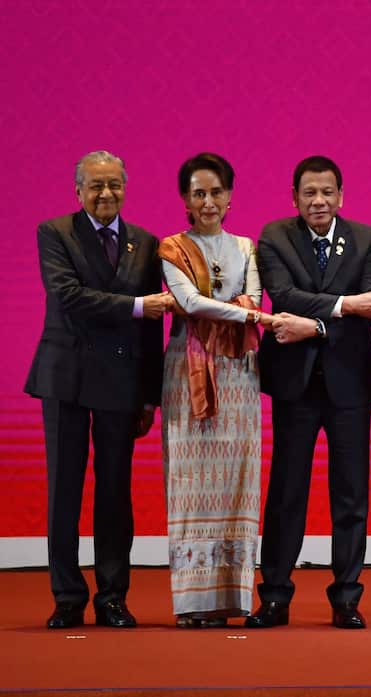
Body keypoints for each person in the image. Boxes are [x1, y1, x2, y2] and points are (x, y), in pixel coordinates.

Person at [27, 150, 169, 629]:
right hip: (65, 377)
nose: (106, 194)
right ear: (78, 191)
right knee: (64, 489)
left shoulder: (146, 244)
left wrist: (150, 396)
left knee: (114, 492)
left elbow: (153, 331)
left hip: (121, 382)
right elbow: (67, 296)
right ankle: (67, 596)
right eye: (96, 186)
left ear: (126, 188)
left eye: (114, 185)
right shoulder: (55, 233)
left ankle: (112, 596)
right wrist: (134, 305)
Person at [249, 156, 371, 630]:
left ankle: (347, 598)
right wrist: (343, 308)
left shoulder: (366, 238)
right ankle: (274, 596)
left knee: (350, 496)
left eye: (327, 192)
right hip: (295, 385)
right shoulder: (274, 237)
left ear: (341, 196)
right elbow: (282, 297)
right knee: (287, 492)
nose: (319, 201)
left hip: (351, 383)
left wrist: (316, 324)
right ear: (294, 198)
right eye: (309, 193)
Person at [159, 153, 277, 628]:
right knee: (189, 484)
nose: (207, 201)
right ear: (186, 199)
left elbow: (252, 297)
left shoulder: (248, 247)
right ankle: (192, 603)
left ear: (230, 196)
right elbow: (186, 303)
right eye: (197, 193)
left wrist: (244, 310)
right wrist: (247, 313)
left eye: (215, 192)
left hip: (239, 375)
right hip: (189, 374)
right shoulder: (171, 248)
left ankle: (233, 599)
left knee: (238, 483)